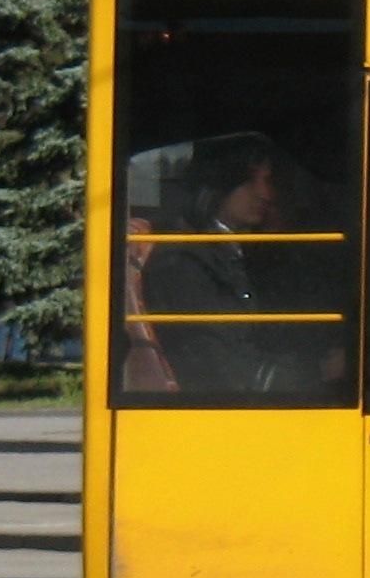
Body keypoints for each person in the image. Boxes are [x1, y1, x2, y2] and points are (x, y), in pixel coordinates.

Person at [138, 137, 340, 395]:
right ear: (221, 183)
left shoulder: (234, 253)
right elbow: (226, 371)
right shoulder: (184, 264)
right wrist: (320, 370)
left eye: (269, 181)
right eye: (252, 181)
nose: (266, 194)